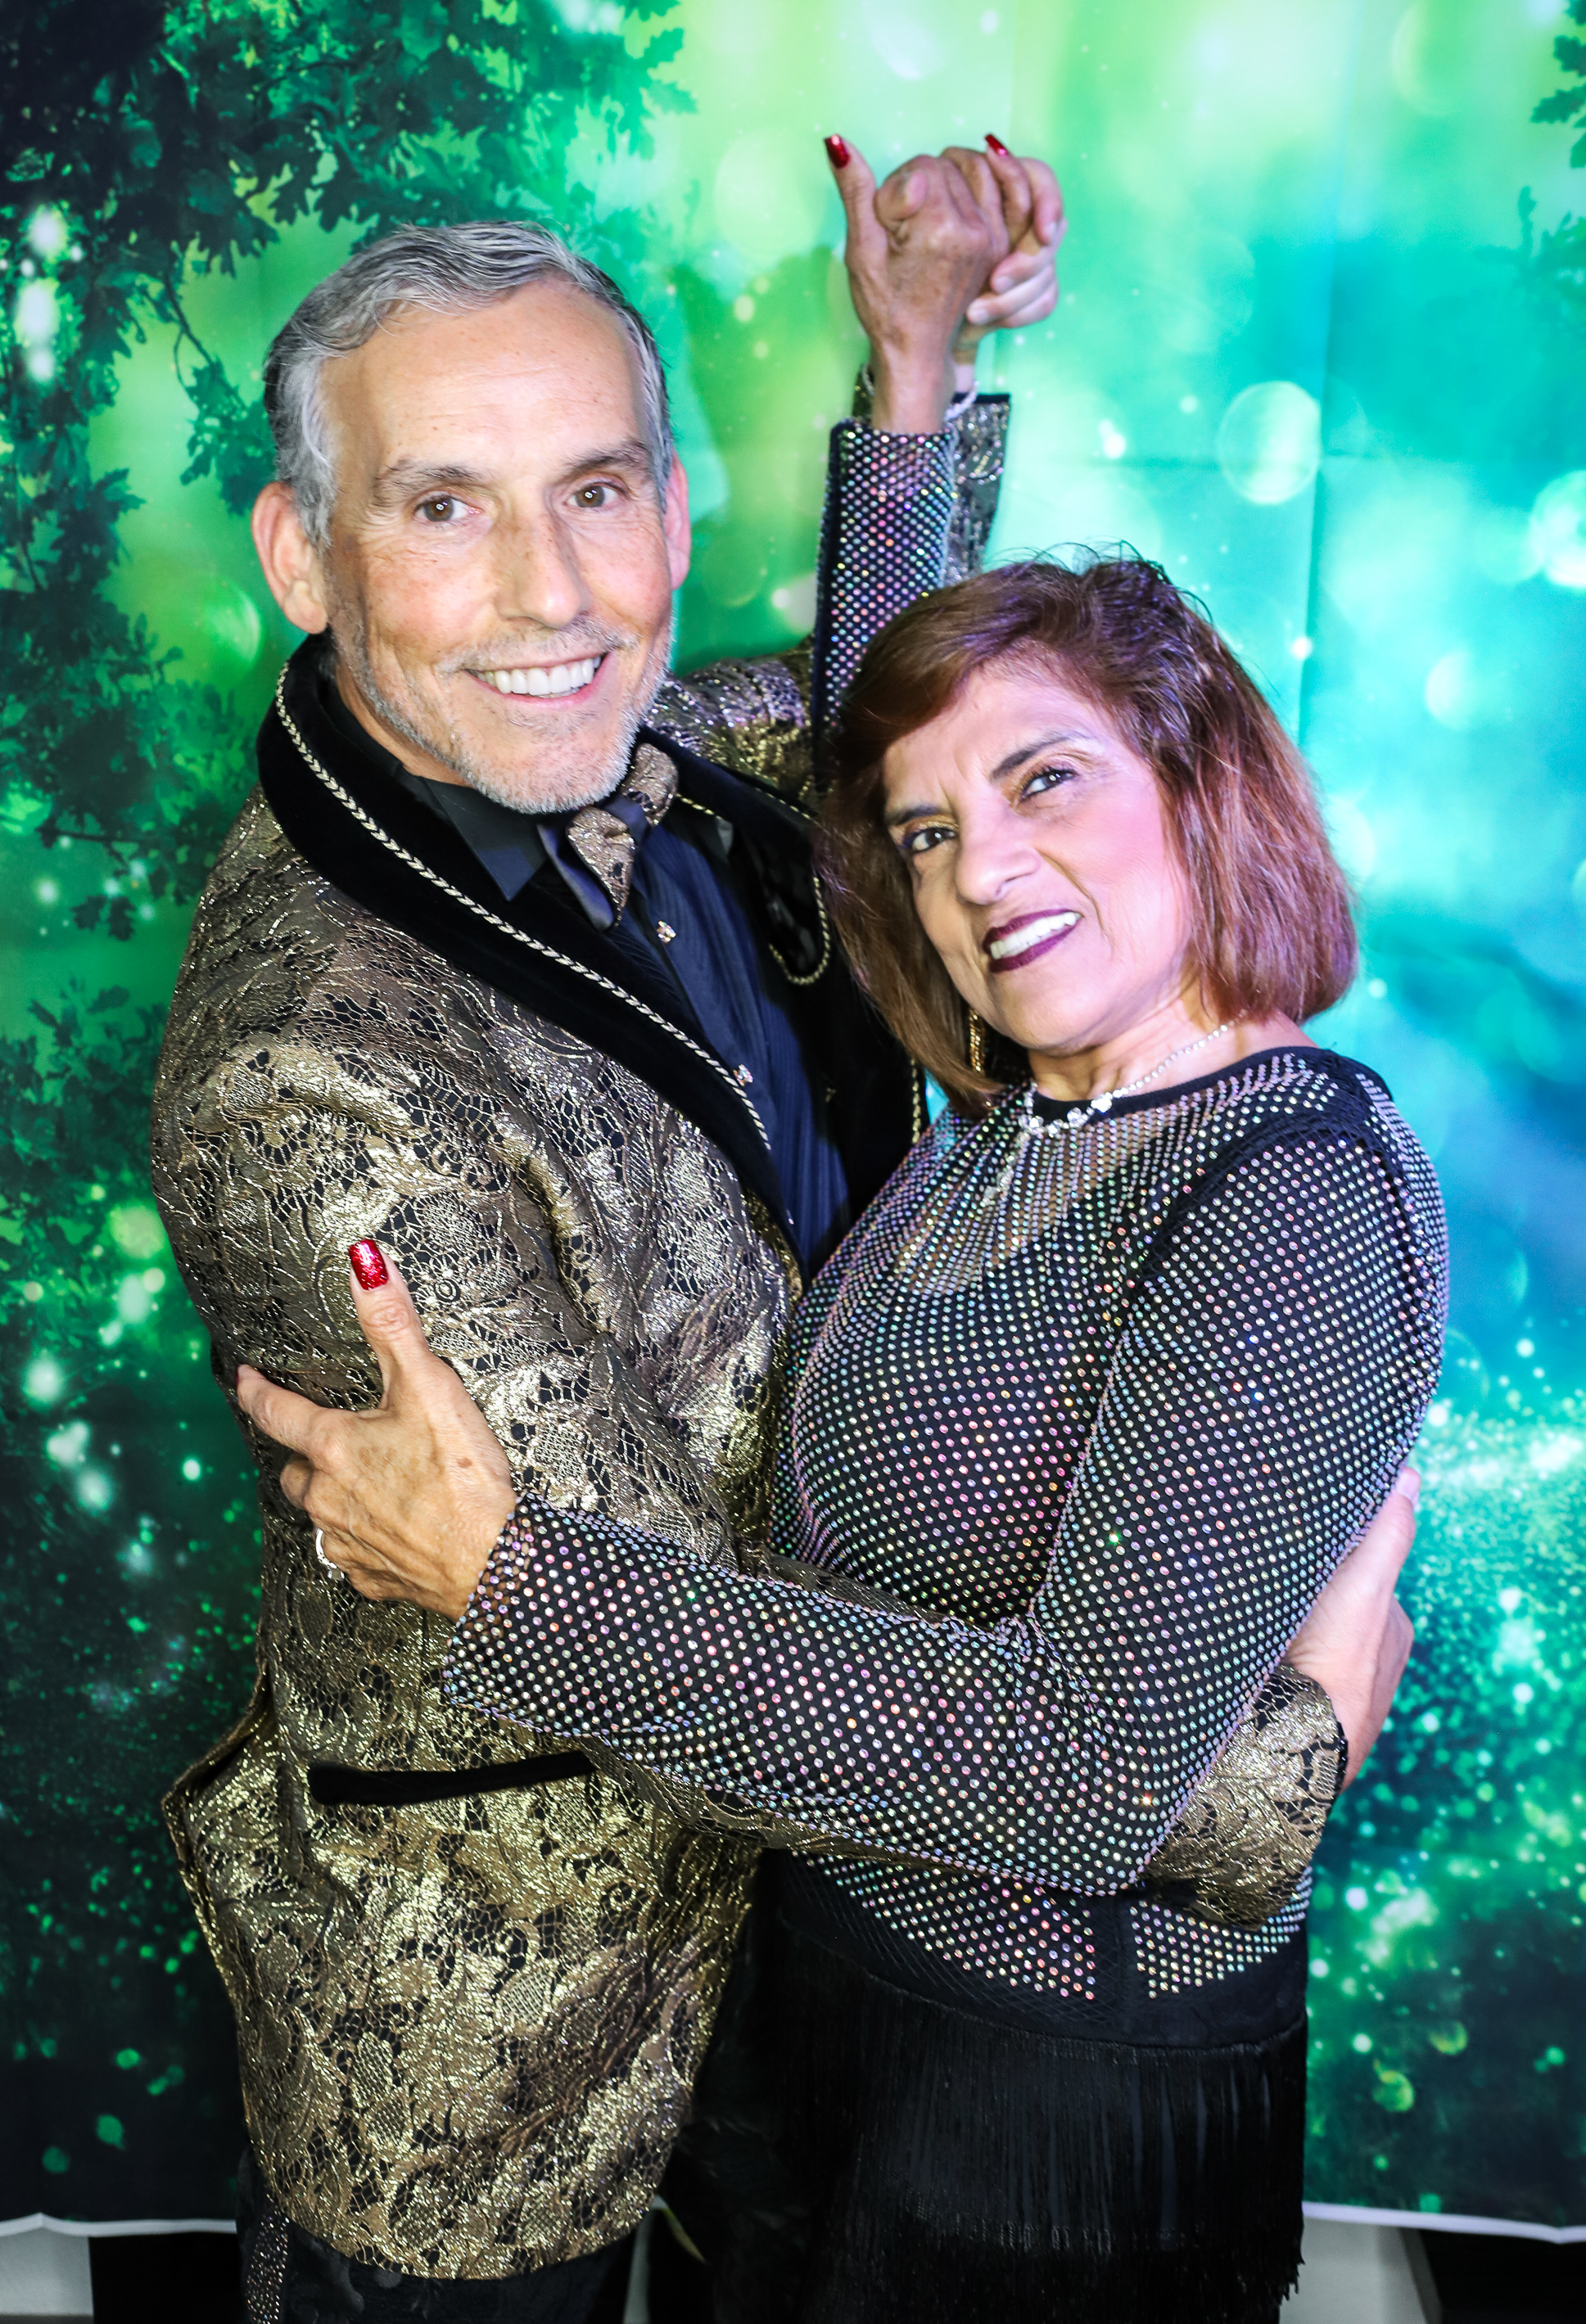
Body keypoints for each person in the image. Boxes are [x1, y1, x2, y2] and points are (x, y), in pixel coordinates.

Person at [237, 557, 1444, 2322]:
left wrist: (505, 1580)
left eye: (1047, 781)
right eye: (930, 837)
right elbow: (877, 721)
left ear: (1203, 781)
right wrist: (906, 404)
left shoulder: (1290, 1189)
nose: (982, 873)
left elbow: (1081, 1768)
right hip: (809, 2029)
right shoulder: (1011, 1120)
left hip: (1028, 2110)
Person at [150, 136, 1070, 2322]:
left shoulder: (642, 747)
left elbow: (872, 726)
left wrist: (912, 361)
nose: (552, 594)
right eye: (442, 507)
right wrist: (1228, 1770)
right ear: (301, 554)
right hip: (498, 2015)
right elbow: (654, 1644)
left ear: (668, 502)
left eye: (596, 489)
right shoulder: (315, 1076)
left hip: (802, 1933)